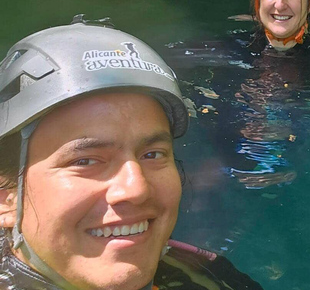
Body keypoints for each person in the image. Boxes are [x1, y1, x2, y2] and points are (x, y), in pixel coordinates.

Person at [0, 18, 263, 290]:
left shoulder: (206, 275)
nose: (136, 189)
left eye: (153, 154)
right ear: (6, 196)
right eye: (85, 161)